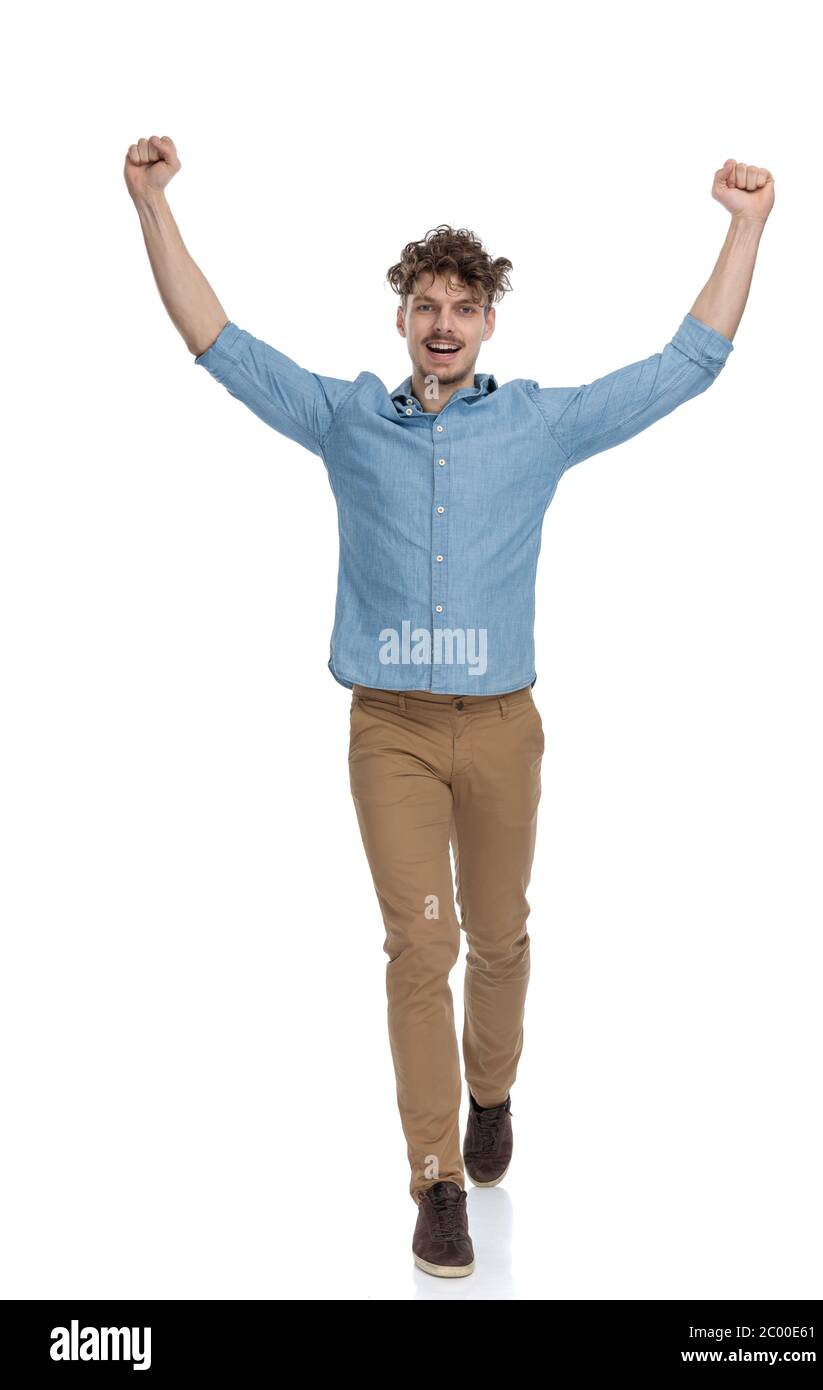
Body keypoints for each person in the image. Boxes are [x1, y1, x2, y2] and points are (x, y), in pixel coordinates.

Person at [125, 137, 774, 1278]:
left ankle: (490, 1092)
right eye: (423, 304)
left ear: (486, 324)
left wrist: (744, 225)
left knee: (500, 935)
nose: (440, 323)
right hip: (390, 730)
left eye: (461, 307)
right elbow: (215, 342)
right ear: (398, 320)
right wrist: (150, 203)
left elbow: (687, 364)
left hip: (502, 727)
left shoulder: (536, 424)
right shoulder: (343, 419)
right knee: (419, 942)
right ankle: (434, 1178)